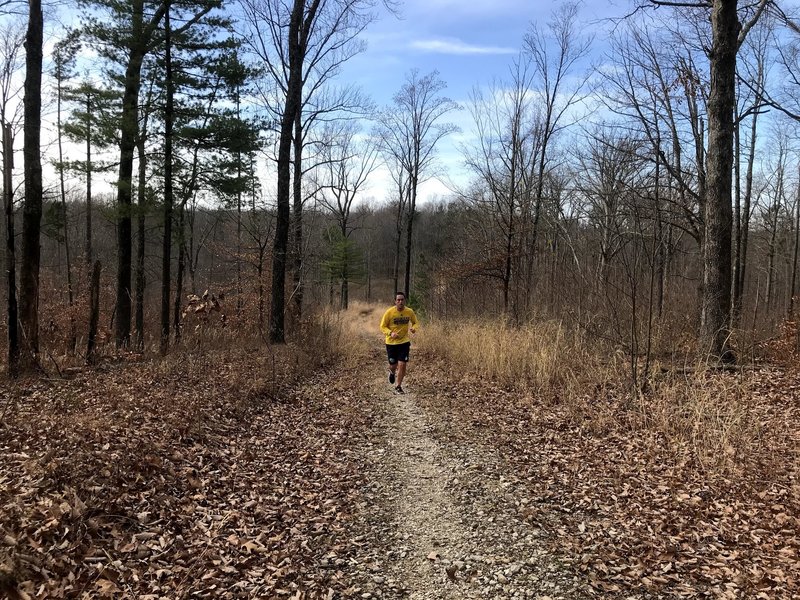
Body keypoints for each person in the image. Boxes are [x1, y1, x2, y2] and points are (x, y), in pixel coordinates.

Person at [379, 291, 418, 394]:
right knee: (393, 364)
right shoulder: (389, 312)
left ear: (405, 301)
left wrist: (414, 328)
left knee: (402, 364)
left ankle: (398, 386)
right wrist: (390, 333)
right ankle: (391, 372)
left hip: (404, 341)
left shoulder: (409, 312)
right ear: (395, 301)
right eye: (398, 300)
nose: (400, 302)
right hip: (391, 343)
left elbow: (415, 322)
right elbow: (382, 326)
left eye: (402, 300)